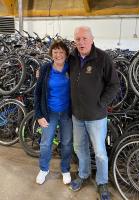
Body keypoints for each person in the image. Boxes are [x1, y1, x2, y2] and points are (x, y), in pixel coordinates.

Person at [68, 26, 119, 200]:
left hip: (96, 116)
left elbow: (114, 85)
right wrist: (42, 73)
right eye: (77, 39)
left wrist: (101, 103)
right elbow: (59, 70)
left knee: (99, 152)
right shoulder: (72, 58)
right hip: (77, 115)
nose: (81, 42)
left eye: (84, 38)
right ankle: (83, 174)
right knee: (79, 148)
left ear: (91, 39)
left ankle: (102, 181)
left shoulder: (103, 58)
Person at [34, 40, 73, 185]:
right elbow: (37, 94)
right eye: (55, 52)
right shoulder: (45, 69)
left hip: (67, 113)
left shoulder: (71, 69)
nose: (58, 55)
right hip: (49, 112)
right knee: (45, 143)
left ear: (66, 54)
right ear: (51, 54)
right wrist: (39, 115)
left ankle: (65, 169)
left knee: (67, 143)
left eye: (61, 52)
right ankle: (44, 169)